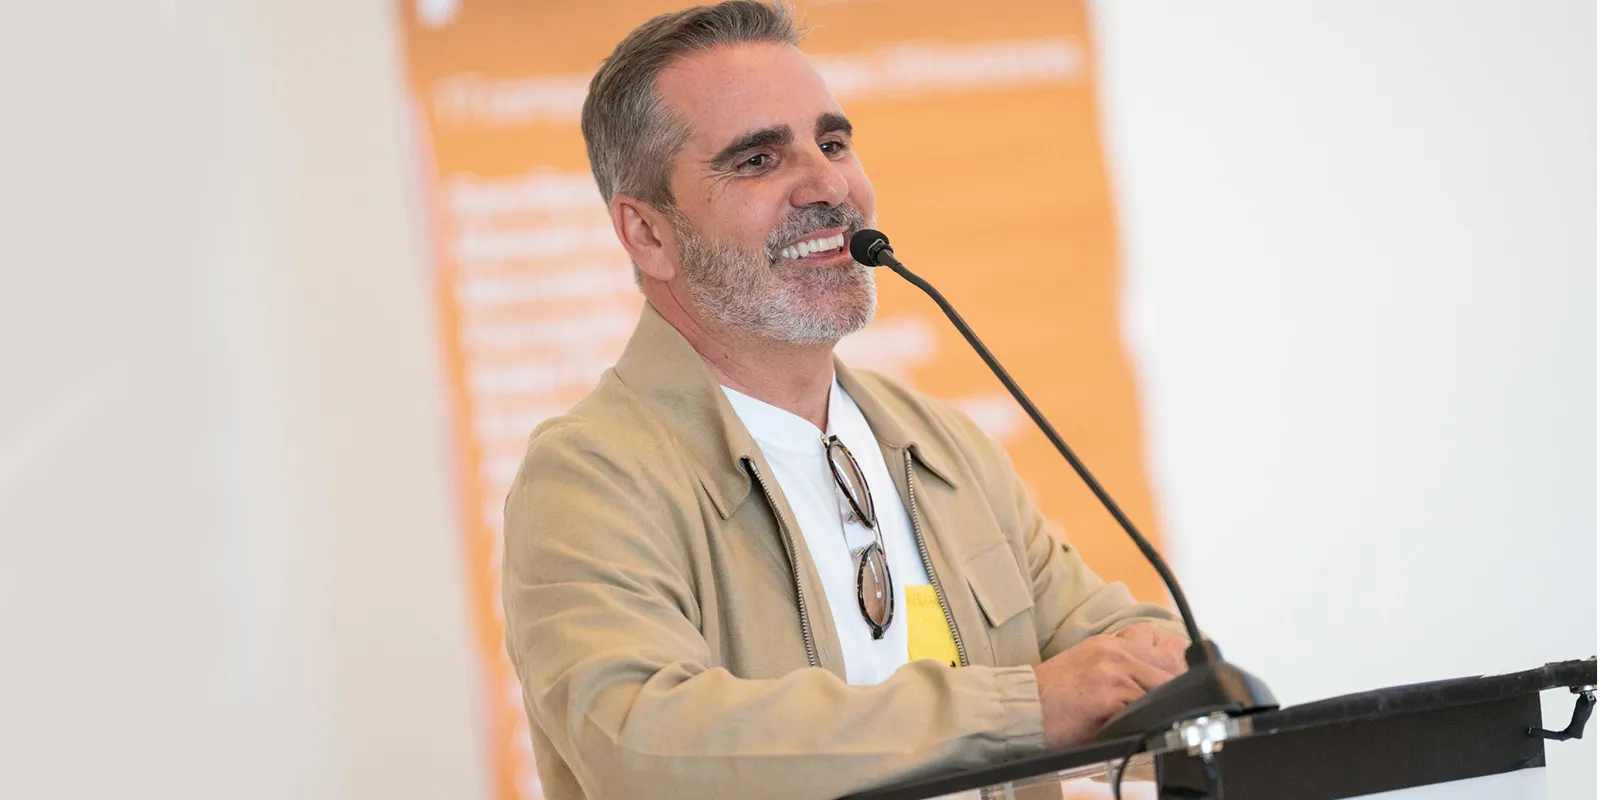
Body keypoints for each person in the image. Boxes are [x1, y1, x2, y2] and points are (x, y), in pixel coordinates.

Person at [502, 3, 1188, 798]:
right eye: (758, 160)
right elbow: (648, 749)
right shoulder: (591, 476)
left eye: (832, 142)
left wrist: (1169, 664)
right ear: (648, 234)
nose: (829, 184)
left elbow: (1116, 640)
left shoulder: (939, 440)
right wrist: (1021, 708)